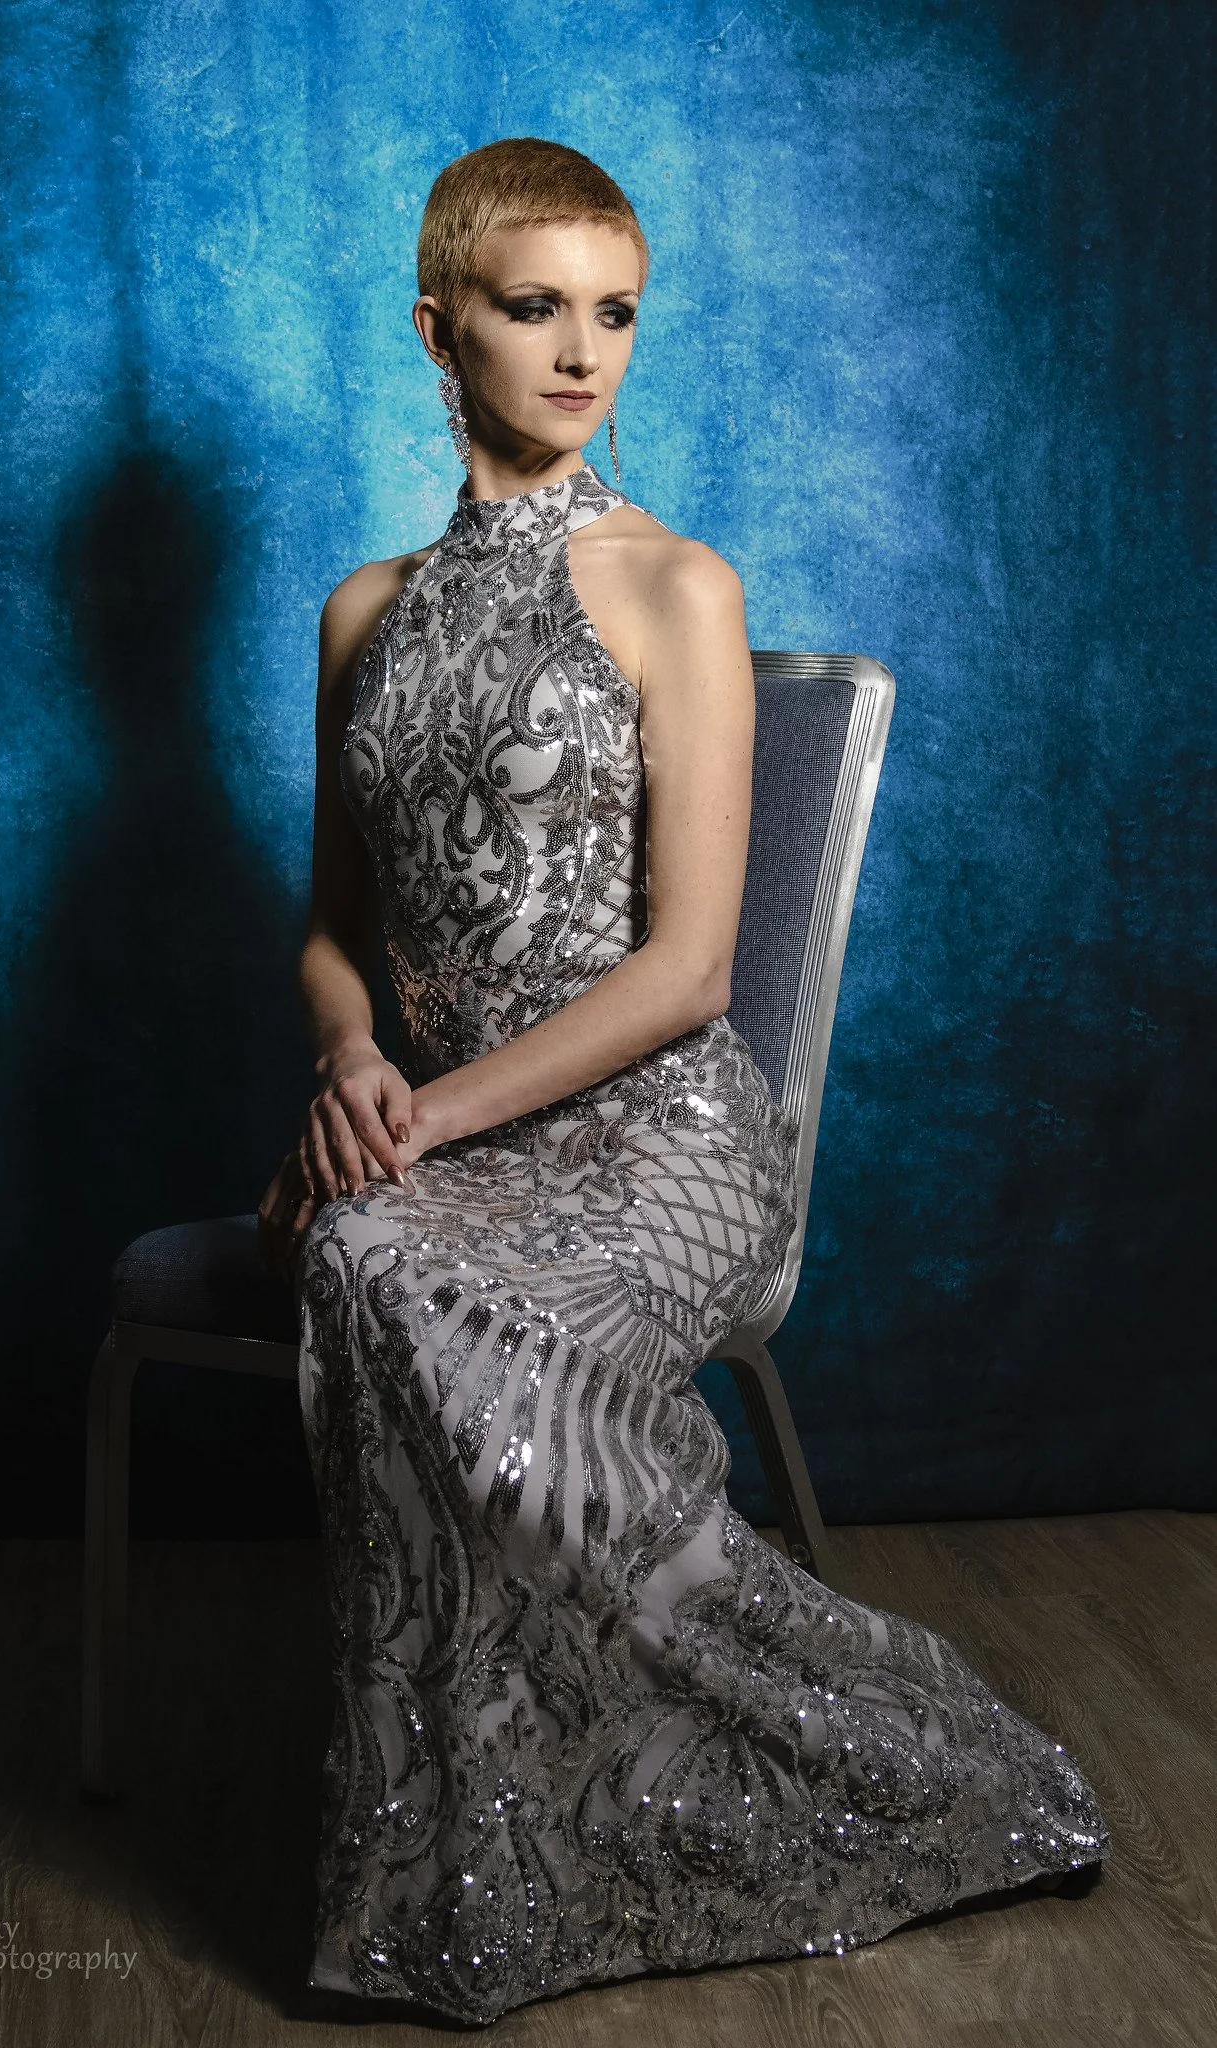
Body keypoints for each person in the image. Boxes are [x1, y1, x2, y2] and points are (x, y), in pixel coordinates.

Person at [258, 136, 1108, 2026]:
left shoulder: (673, 587)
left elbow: (691, 970)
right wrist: (348, 1059)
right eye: (532, 307)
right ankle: (469, 1849)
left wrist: (422, 1120)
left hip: (667, 1137)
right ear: (437, 329)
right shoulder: (360, 613)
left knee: (409, 1272)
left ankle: (846, 1738)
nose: (581, 354)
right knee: (365, 1259)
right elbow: (328, 925)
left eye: (615, 313)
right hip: (443, 1123)